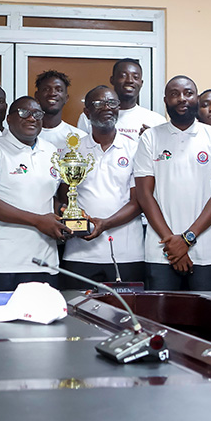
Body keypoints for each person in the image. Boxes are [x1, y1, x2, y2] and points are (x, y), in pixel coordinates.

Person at [135, 75, 211, 291]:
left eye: (188, 93)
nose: (181, 99)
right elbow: (144, 194)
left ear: (196, 98)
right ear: (165, 101)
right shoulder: (150, 137)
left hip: (207, 251)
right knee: (161, 319)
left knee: (206, 320)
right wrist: (172, 242)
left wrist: (186, 239)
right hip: (161, 250)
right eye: (174, 94)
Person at [0, 97, 70, 290]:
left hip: (45, 263)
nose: (31, 118)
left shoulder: (50, 151)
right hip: (2, 264)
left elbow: (48, 198)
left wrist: (65, 214)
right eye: (23, 113)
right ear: (9, 119)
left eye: (37, 114)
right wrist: (38, 220)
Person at [61, 86, 143, 287]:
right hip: (79, 253)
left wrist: (104, 223)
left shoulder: (135, 149)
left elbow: (139, 201)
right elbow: (64, 197)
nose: (107, 107)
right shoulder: (72, 150)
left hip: (127, 253)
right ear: (87, 112)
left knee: (124, 315)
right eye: (98, 103)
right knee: (78, 314)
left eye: (112, 103)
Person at [77, 59, 165, 139]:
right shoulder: (90, 116)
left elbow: (163, 152)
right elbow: (82, 149)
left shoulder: (156, 120)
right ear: (112, 80)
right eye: (123, 76)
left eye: (135, 77)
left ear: (141, 83)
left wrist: (151, 141)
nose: (129, 81)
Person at [35, 70, 84, 157]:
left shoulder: (80, 137)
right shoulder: (27, 134)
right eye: (46, 89)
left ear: (66, 98)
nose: (52, 93)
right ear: (37, 96)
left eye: (59, 90)